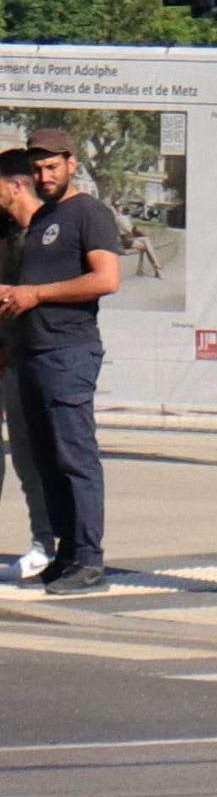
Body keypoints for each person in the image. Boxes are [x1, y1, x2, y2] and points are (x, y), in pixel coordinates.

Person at [0, 128, 120, 594]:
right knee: (46, 460)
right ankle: (65, 555)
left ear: (72, 164)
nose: (44, 175)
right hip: (29, 350)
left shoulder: (88, 213)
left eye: (52, 166)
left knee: (76, 458)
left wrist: (37, 294)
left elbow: (106, 279)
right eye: (37, 168)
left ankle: (90, 561)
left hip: (68, 351)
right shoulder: (41, 218)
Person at [0, 149, 61, 580]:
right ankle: (44, 541)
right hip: (8, 357)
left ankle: (51, 542)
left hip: (38, 355)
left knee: (40, 455)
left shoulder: (53, 229)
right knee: (20, 457)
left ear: (15, 185)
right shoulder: (4, 232)